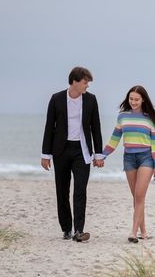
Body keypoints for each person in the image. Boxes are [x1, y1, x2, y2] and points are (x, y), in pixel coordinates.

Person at [41, 66, 104, 242]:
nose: (87, 86)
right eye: (85, 82)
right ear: (75, 82)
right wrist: (45, 155)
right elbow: (49, 127)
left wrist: (98, 154)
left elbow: (96, 128)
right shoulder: (57, 99)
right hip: (60, 150)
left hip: (81, 150)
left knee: (80, 190)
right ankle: (66, 229)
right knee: (62, 191)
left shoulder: (91, 100)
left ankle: (78, 230)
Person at [98, 85, 155, 243]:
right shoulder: (122, 116)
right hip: (129, 158)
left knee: (139, 195)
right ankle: (144, 232)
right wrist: (103, 155)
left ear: (143, 99)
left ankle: (133, 232)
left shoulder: (151, 118)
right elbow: (115, 139)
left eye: (136, 99)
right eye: (131, 99)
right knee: (137, 197)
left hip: (146, 157)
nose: (133, 102)